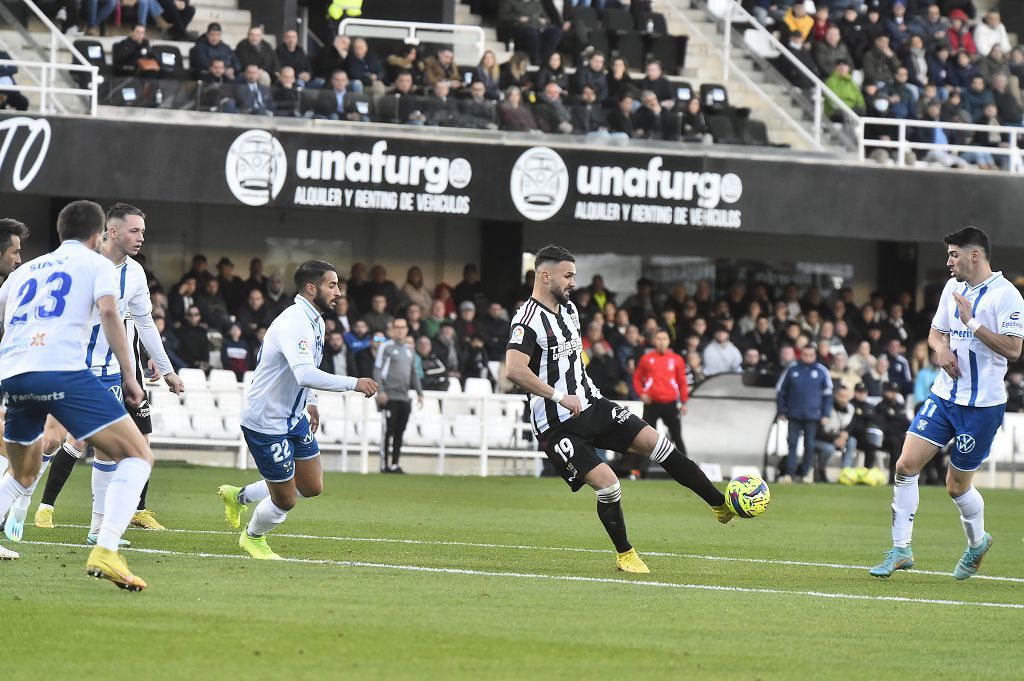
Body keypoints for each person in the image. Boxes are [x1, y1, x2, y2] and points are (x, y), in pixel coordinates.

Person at [505, 245, 740, 575]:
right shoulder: (526, 320)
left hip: (593, 404)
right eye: (568, 275)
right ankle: (625, 554)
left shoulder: (569, 310)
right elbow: (514, 370)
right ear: (545, 276)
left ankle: (718, 503)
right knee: (609, 484)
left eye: (574, 275)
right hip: (558, 424)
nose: (573, 282)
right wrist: (559, 396)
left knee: (659, 445)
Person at [0, 200, 153, 588]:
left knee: (22, 472)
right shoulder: (98, 265)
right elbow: (108, 313)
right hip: (62, 371)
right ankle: (105, 548)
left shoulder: (24, 271)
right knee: (138, 454)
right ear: (97, 234)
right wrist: (130, 374)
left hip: (15, 374)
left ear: (59, 229)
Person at [21, 203, 184, 540]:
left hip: (109, 372)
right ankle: (19, 507)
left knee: (108, 450)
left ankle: (97, 529)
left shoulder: (136, 273)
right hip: (72, 368)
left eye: (142, 230)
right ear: (112, 232)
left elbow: (144, 323)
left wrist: (166, 369)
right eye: (134, 230)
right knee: (52, 439)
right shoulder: (83, 263)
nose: (141, 237)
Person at [870, 227, 1024, 580]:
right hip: (944, 396)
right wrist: (940, 351)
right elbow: (936, 332)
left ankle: (977, 542)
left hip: (982, 407)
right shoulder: (951, 288)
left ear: (975, 255)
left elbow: (1014, 349)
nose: (948, 261)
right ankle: (900, 550)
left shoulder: (1007, 296)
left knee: (956, 486)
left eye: (954, 254)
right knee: (905, 465)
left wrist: (972, 322)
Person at [216, 261, 377, 559]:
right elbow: (303, 373)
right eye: (332, 285)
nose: (339, 292)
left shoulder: (314, 319)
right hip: (267, 421)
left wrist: (311, 400)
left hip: (293, 416)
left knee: (312, 485)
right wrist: (354, 382)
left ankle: (238, 496)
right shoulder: (295, 321)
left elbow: (304, 370)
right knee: (286, 499)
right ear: (311, 288)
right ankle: (253, 537)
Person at [630, 330, 689, 479]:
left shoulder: (676, 359)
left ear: (669, 341)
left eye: (664, 339)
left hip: (670, 403)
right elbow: (637, 378)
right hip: (652, 403)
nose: (662, 341)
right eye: (659, 338)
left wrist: (683, 401)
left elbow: (682, 382)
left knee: (677, 436)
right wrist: (641, 393)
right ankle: (638, 471)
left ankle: (687, 470)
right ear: (654, 341)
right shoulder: (646, 359)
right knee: (643, 437)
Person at [776, 344, 833, 483]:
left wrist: (826, 414)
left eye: (811, 355)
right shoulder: (792, 369)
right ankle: (790, 474)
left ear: (815, 355)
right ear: (801, 354)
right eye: (805, 354)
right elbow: (780, 391)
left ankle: (806, 474)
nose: (808, 357)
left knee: (809, 444)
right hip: (794, 414)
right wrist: (781, 410)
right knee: (792, 444)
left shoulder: (821, 371)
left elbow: (828, 394)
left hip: (813, 415)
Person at [374, 317, 423, 473]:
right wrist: (380, 391)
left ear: (407, 330)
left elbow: (414, 372)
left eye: (403, 327)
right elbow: (377, 369)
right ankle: (384, 465)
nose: (400, 330)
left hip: (404, 396)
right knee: (388, 430)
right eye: (397, 327)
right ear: (392, 329)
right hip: (389, 396)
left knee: (400, 431)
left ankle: (395, 463)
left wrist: (420, 392)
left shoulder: (410, 349)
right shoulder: (386, 347)